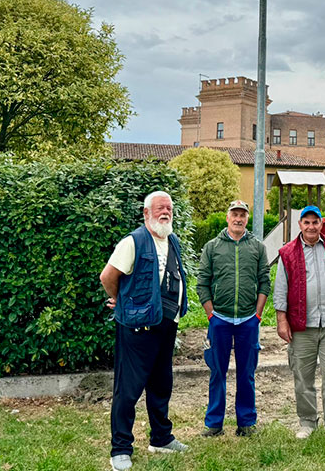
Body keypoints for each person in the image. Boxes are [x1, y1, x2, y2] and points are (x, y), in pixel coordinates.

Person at [99, 191, 190, 471]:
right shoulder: (133, 241)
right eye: (160, 208)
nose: (166, 212)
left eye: (169, 208)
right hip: (137, 328)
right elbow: (107, 276)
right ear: (146, 213)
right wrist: (123, 300)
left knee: (161, 385)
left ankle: (161, 439)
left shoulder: (172, 240)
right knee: (128, 390)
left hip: (166, 324)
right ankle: (120, 449)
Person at [274, 205, 325, 445]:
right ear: (300, 225)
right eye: (306, 222)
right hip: (301, 326)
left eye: (315, 222)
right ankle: (307, 422)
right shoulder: (287, 252)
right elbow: (281, 288)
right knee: (302, 377)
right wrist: (281, 320)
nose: (311, 226)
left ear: (321, 224)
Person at [196, 199, 270, 437]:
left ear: (247, 219)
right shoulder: (212, 247)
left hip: (248, 320)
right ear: (227, 217)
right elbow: (202, 283)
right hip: (220, 319)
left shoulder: (257, 247)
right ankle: (214, 423)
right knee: (217, 372)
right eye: (234, 214)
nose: (238, 219)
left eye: (242, 215)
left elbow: (264, 282)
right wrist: (211, 314)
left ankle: (246, 422)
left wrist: (257, 315)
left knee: (246, 373)